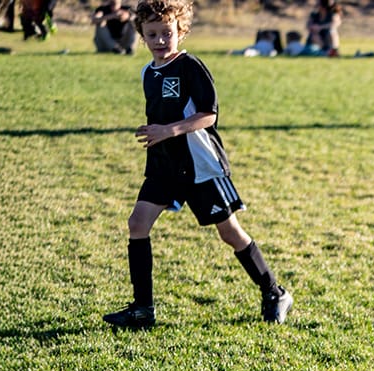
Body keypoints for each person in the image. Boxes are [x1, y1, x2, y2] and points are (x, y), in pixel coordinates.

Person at [104, 0, 293, 329]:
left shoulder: (190, 66)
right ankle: (142, 308)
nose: (161, 40)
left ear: (181, 31)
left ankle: (274, 292)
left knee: (230, 233)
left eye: (167, 33)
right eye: (153, 34)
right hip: (164, 166)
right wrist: (158, 134)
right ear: (142, 37)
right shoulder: (147, 73)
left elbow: (209, 116)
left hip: (200, 165)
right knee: (137, 224)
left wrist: (168, 130)